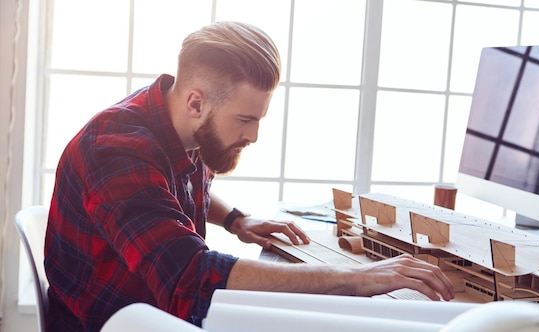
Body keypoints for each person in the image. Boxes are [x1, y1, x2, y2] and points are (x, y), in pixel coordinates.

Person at [44, 21, 455, 331]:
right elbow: (188, 276)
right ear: (195, 102)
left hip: (150, 301)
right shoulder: (116, 149)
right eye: (244, 119)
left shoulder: (179, 121)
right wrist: (355, 279)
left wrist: (236, 220)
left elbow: (172, 191)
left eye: (258, 119)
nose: (254, 136)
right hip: (115, 320)